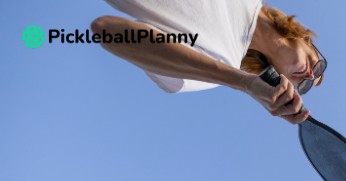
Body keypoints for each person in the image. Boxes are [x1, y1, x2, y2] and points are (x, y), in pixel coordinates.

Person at [92, 0, 324, 124]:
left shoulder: (222, 63)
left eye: (304, 86)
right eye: (318, 66)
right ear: (306, 40)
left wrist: (243, 82)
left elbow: (107, 30)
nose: (309, 77)